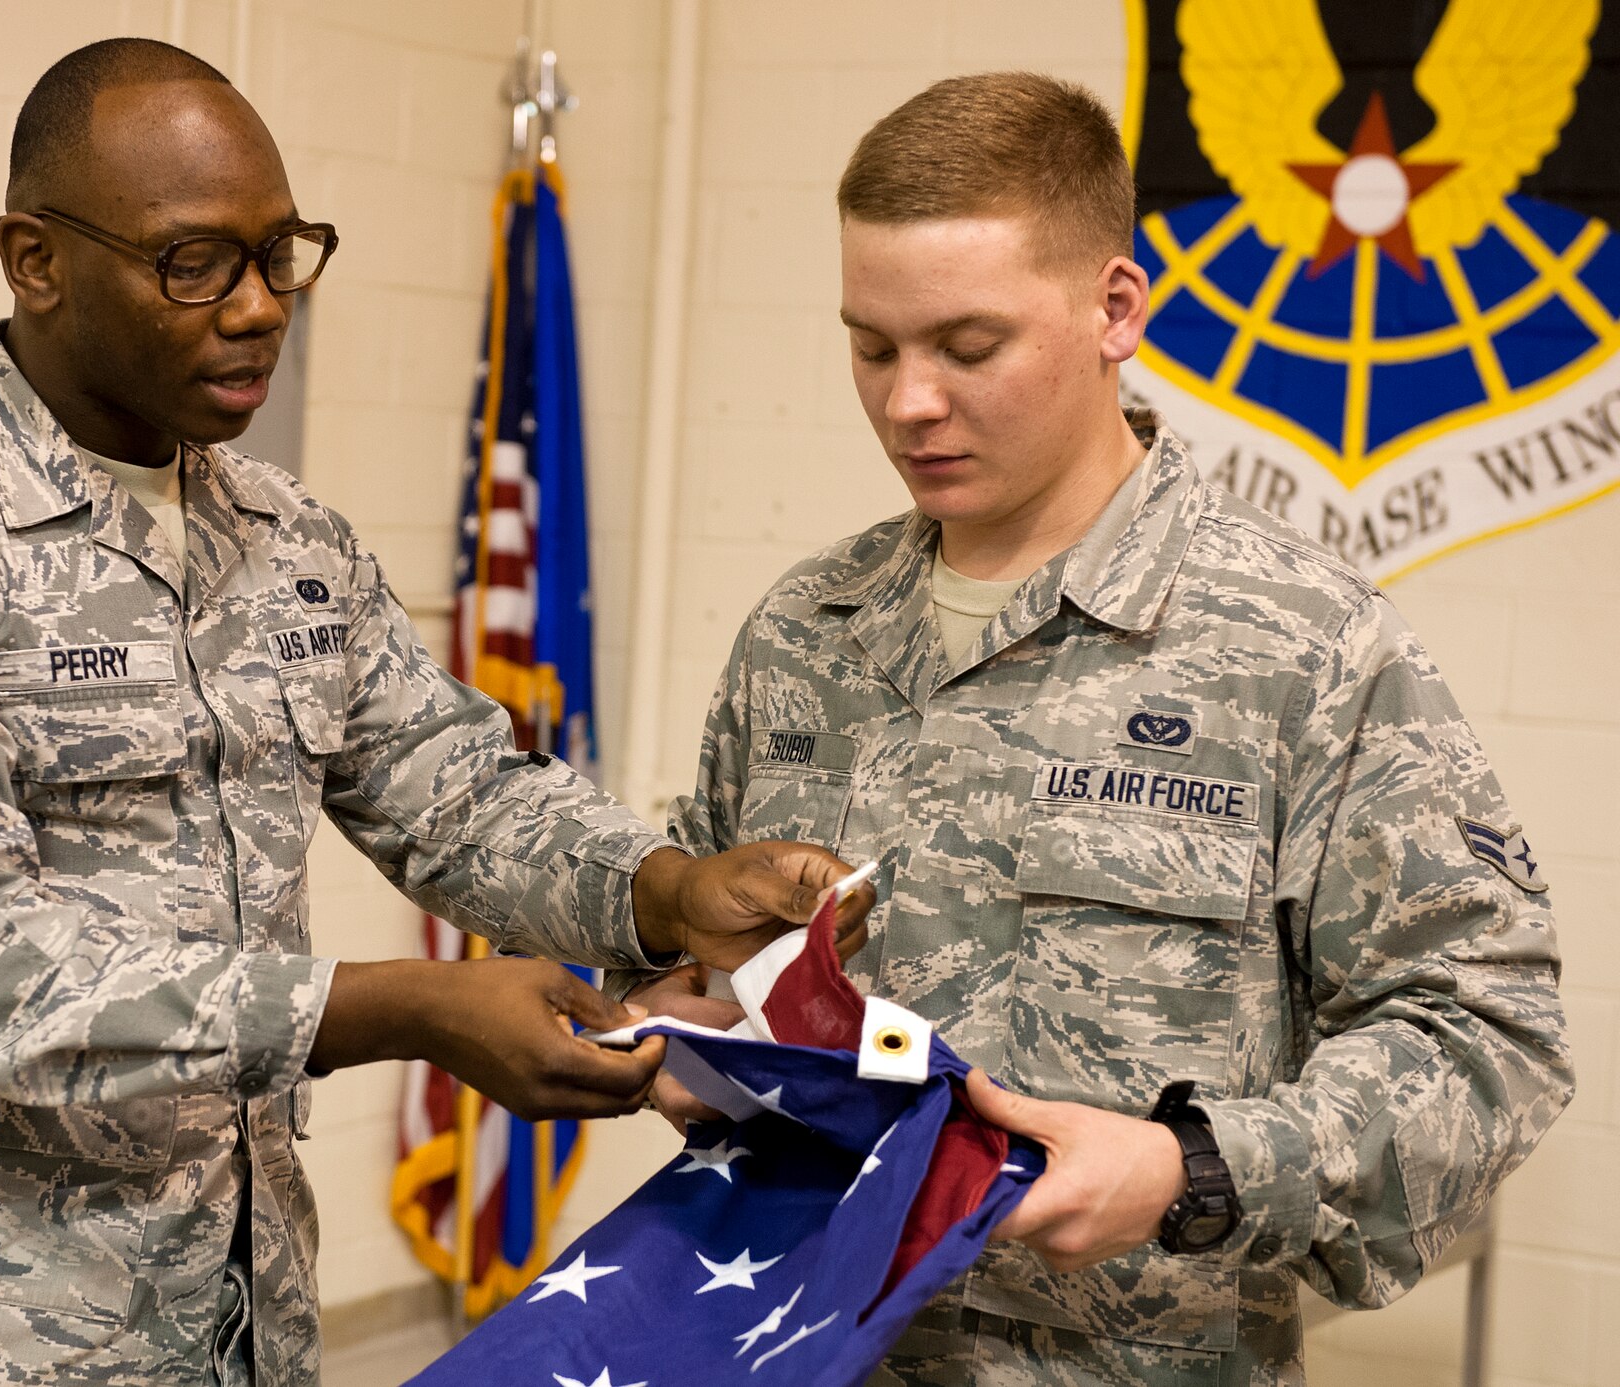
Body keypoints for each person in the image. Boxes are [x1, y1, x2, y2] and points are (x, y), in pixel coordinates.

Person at [0, 38, 869, 1387]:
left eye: (283, 252)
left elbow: (458, 794)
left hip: (235, 1337)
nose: (259, 306)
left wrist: (670, 892)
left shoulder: (288, 538)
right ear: (36, 259)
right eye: (193, 262)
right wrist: (400, 1009)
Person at [625, 72, 1572, 1385]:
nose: (909, 403)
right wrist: (688, 1033)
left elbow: (1490, 1036)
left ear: (1116, 308)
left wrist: (1194, 1169)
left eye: (967, 348)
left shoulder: (1300, 646)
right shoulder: (807, 632)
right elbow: (705, 939)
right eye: (873, 345)